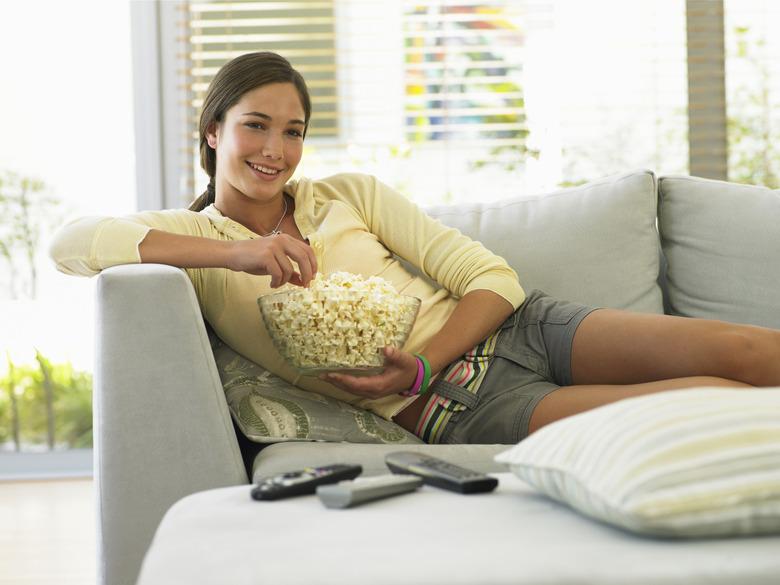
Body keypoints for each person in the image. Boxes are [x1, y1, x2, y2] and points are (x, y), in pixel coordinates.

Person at [50, 51, 780, 445]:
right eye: (255, 125)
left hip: (520, 329)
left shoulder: (347, 195)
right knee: (712, 403)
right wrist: (237, 253)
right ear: (213, 131)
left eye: (294, 129)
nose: (276, 150)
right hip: (457, 408)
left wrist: (431, 352)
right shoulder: (200, 244)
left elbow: (493, 277)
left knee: (745, 351)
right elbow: (74, 243)